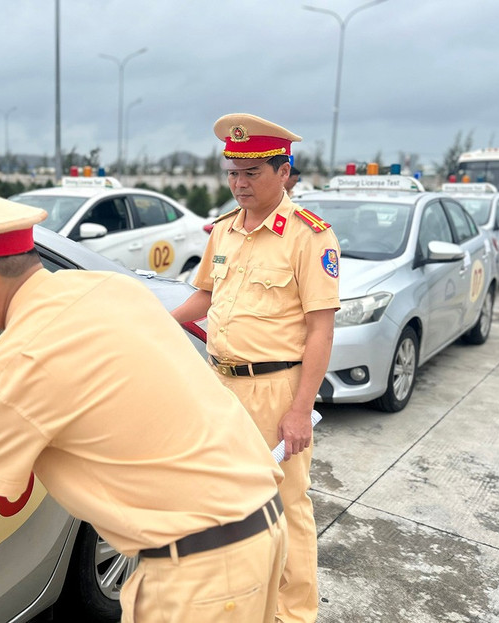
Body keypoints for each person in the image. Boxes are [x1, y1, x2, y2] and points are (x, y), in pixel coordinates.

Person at [0, 186, 289, 622]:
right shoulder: (110, 288)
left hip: (201, 577)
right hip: (261, 524)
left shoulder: (13, 366)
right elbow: (86, 388)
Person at [170, 113, 340, 623]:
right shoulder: (224, 230)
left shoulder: (309, 237)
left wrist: (300, 408)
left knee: (287, 505)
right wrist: (155, 322)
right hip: (218, 383)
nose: (239, 184)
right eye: (232, 173)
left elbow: (321, 330)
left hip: (275, 391)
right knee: (225, 497)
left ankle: (293, 613)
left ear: (284, 172)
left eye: (252, 173)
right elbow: (204, 295)